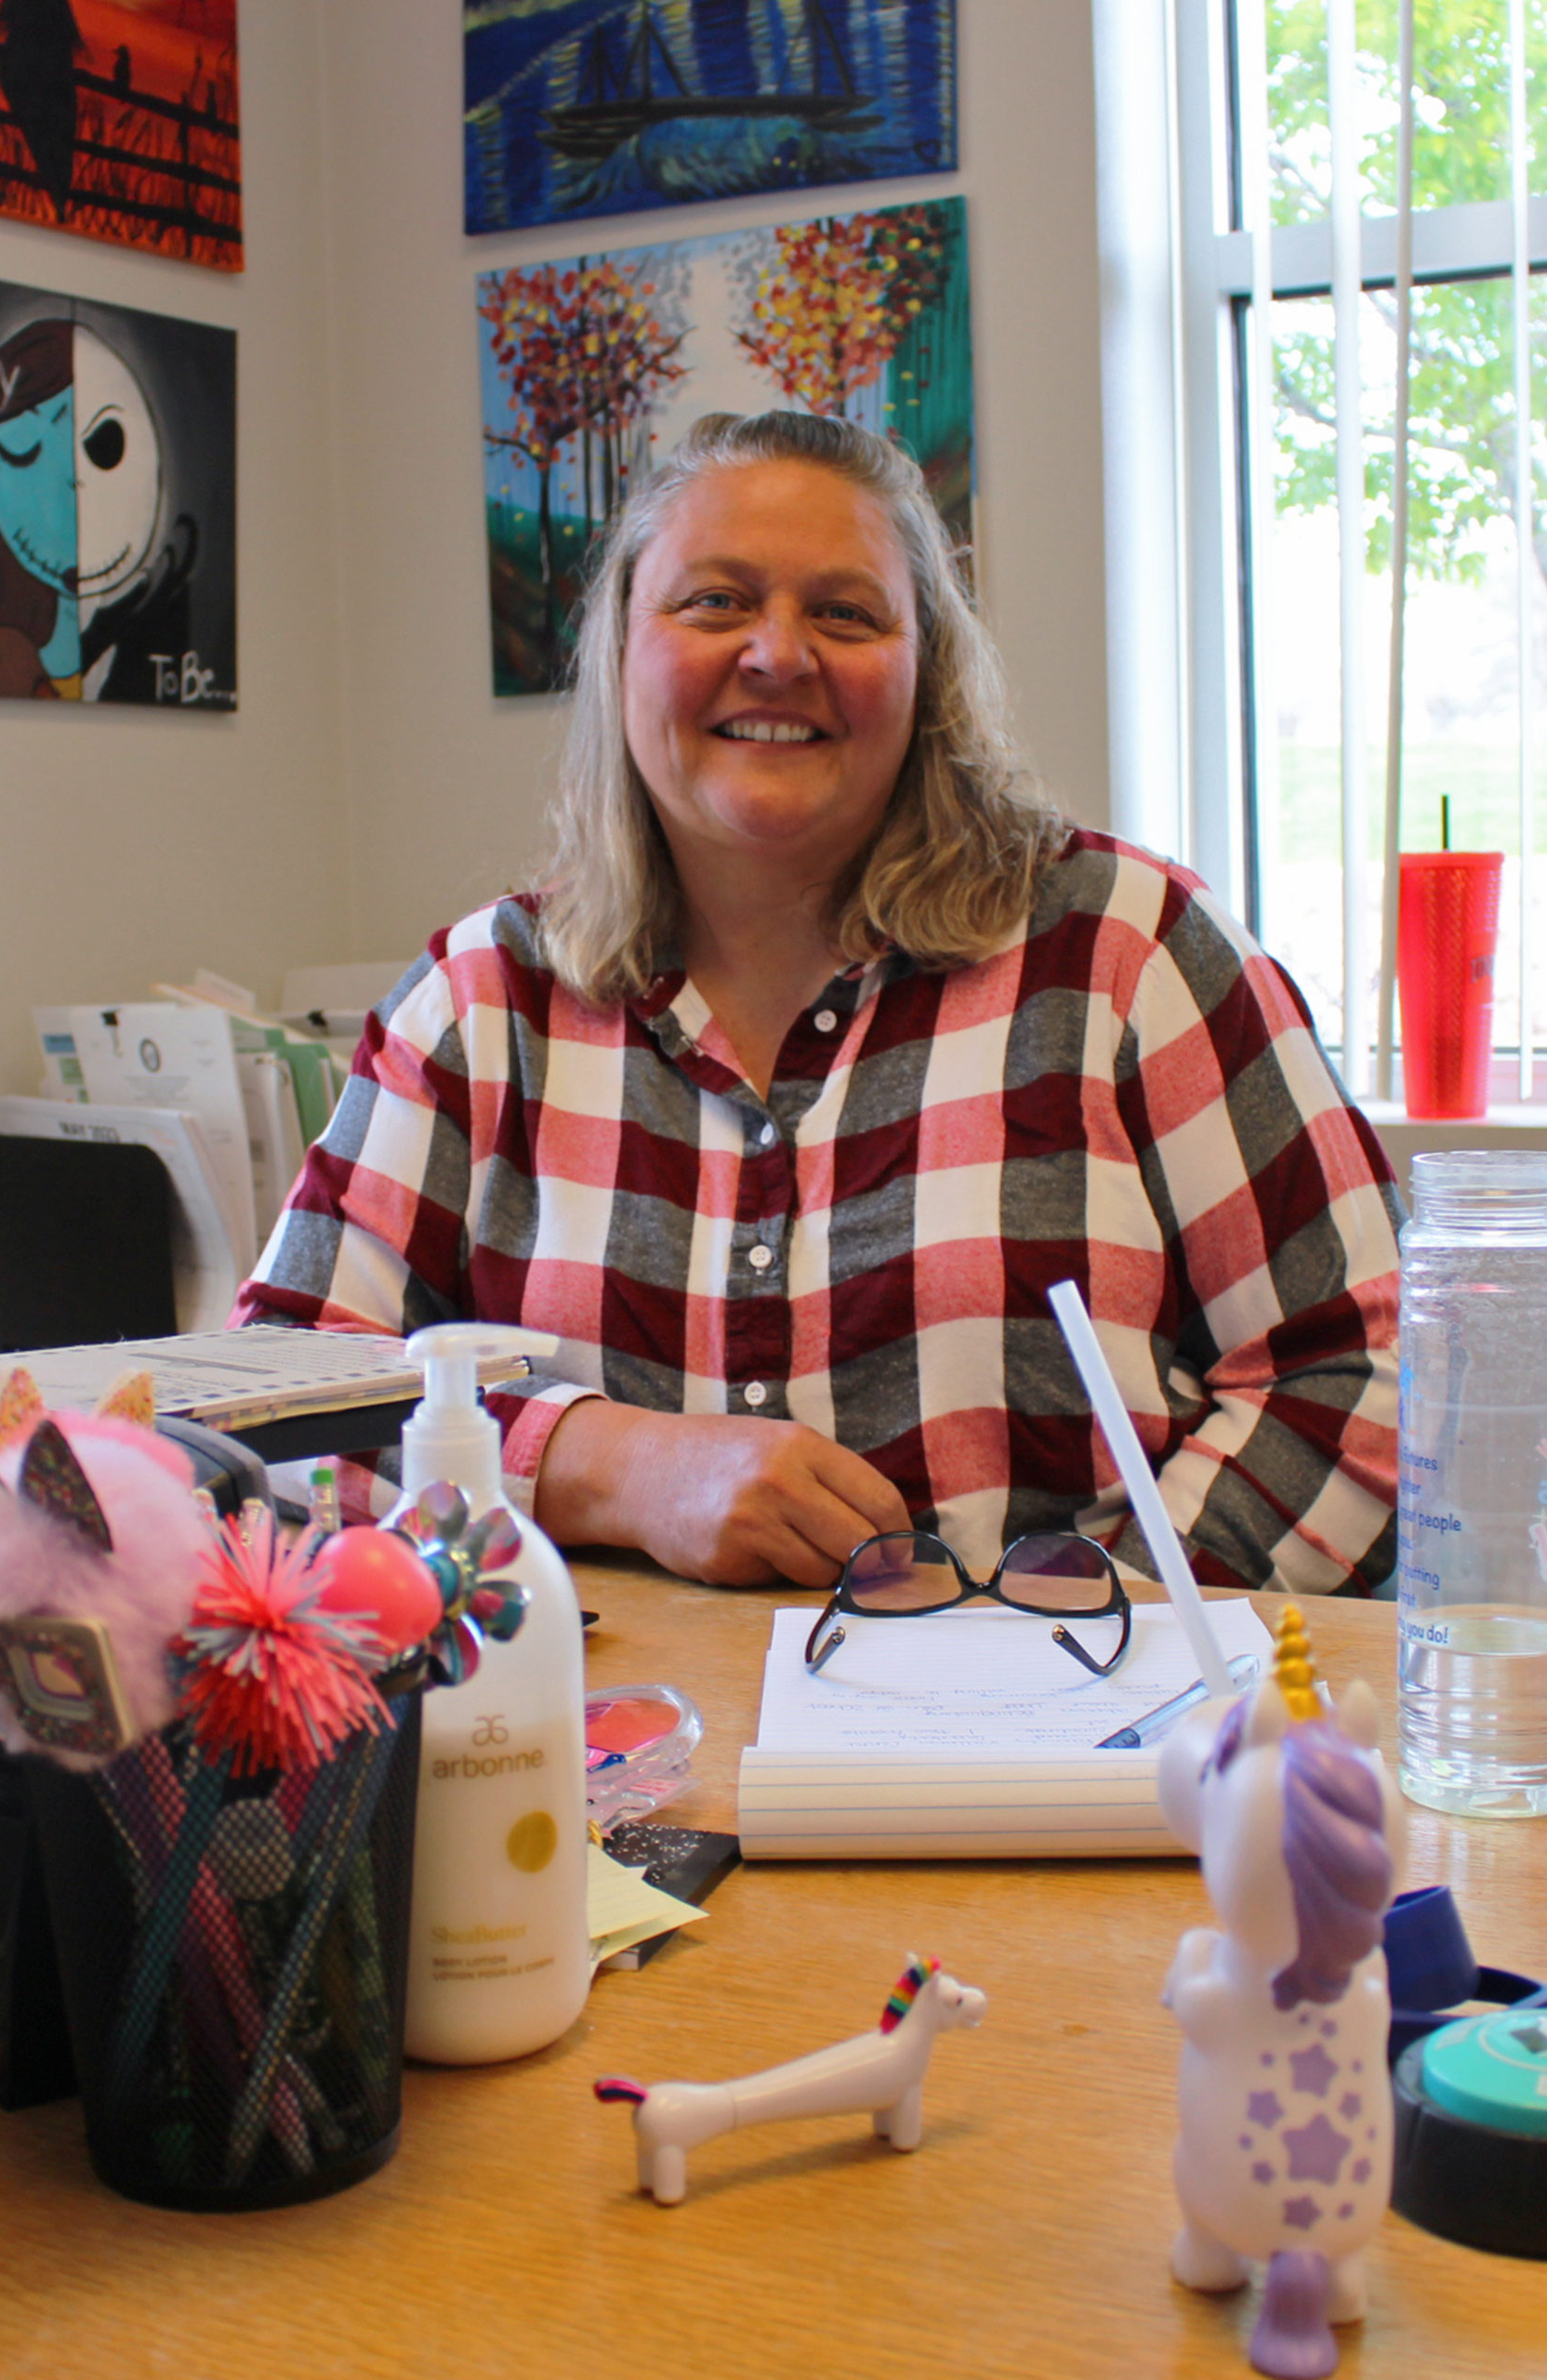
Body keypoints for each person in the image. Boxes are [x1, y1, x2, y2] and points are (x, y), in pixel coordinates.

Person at [238, 410, 1397, 1594]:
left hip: (1076, 1767)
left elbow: (1367, 1370)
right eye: (714, 602)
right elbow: (266, 1402)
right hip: (608, 1766)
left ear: (926, 671)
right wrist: (605, 1464)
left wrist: (1098, 1633)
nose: (778, 655)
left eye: (844, 612)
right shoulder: (485, 1006)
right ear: (621, 652)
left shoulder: (1127, 956)